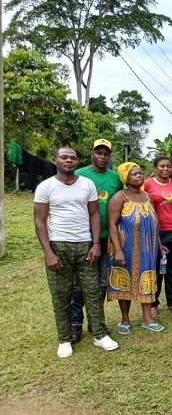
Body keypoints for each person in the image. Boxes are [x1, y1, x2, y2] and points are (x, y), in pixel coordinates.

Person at [34, 147, 118, 358]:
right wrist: (48, 253)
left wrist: (96, 244)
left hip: (84, 245)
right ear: (55, 160)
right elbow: (39, 221)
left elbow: (94, 215)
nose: (69, 161)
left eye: (72, 158)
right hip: (58, 246)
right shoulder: (46, 187)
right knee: (61, 293)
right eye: (64, 157)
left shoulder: (86, 184)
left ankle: (100, 333)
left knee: (92, 290)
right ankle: (64, 339)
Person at [71, 138, 122, 343]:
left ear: (110, 155)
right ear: (92, 153)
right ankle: (75, 324)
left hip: (105, 238)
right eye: (98, 153)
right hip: (82, 238)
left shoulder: (115, 177)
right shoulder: (80, 175)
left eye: (106, 154)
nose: (102, 157)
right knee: (79, 285)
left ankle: (95, 321)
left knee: (101, 284)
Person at [108, 162, 168, 334]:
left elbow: (153, 224)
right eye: (134, 174)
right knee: (124, 282)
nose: (139, 176)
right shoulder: (119, 197)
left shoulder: (148, 197)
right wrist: (118, 250)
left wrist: (159, 244)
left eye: (140, 173)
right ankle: (125, 319)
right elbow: (112, 224)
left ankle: (147, 318)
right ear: (125, 178)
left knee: (147, 280)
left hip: (147, 248)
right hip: (124, 248)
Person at [144, 156, 172, 316]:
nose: (166, 169)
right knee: (155, 268)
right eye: (162, 166)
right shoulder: (147, 184)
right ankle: (154, 303)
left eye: (168, 166)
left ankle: (171, 301)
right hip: (155, 231)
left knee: (171, 268)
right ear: (155, 167)